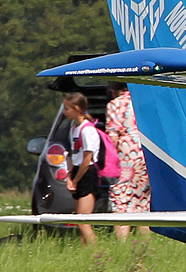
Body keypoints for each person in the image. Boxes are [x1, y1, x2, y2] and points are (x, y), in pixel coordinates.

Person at [104, 82, 151, 239]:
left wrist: (110, 159)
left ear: (113, 90)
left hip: (125, 160)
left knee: (121, 201)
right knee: (142, 203)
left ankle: (122, 244)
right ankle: (146, 246)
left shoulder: (114, 104)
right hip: (144, 157)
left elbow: (113, 136)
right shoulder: (143, 102)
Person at [61, 92, 101, 245]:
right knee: (79, 220)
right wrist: (70, 177)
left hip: (87, 173)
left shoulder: (87, 130)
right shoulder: (74, 129)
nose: (64, 112)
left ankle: (97, 254)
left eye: (67, 109)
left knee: (84, 221)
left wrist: (76, 181)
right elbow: (74, 156)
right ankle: (86, 253)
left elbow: (87, 160)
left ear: (77, 109)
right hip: (77, 172)